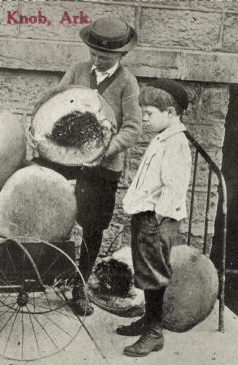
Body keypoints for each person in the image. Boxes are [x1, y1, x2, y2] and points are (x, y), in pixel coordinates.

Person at [32, 17, 142, 316]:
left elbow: (133, 128)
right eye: (94, 54)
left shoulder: (127, 83)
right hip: (67, 157)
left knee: (93, 227)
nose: (98, 60)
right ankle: (39, 274)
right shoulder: (78, 70)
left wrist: (107, 150)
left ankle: (79, 287)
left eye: (105, 57)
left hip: (103, 168)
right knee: (45, 205)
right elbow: (56, 101)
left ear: (121, 55)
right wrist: (40, 127)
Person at [119, 79, 192, 356]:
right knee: (145, 270)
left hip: (157, 219)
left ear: (171, 113)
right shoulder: (162, 137)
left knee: (154, 274)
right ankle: (148, 320)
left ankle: (154, 332)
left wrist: (158, 217)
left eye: (149, 113)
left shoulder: (176, 143)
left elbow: (175, 186)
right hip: (146, 215)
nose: (145, 118)